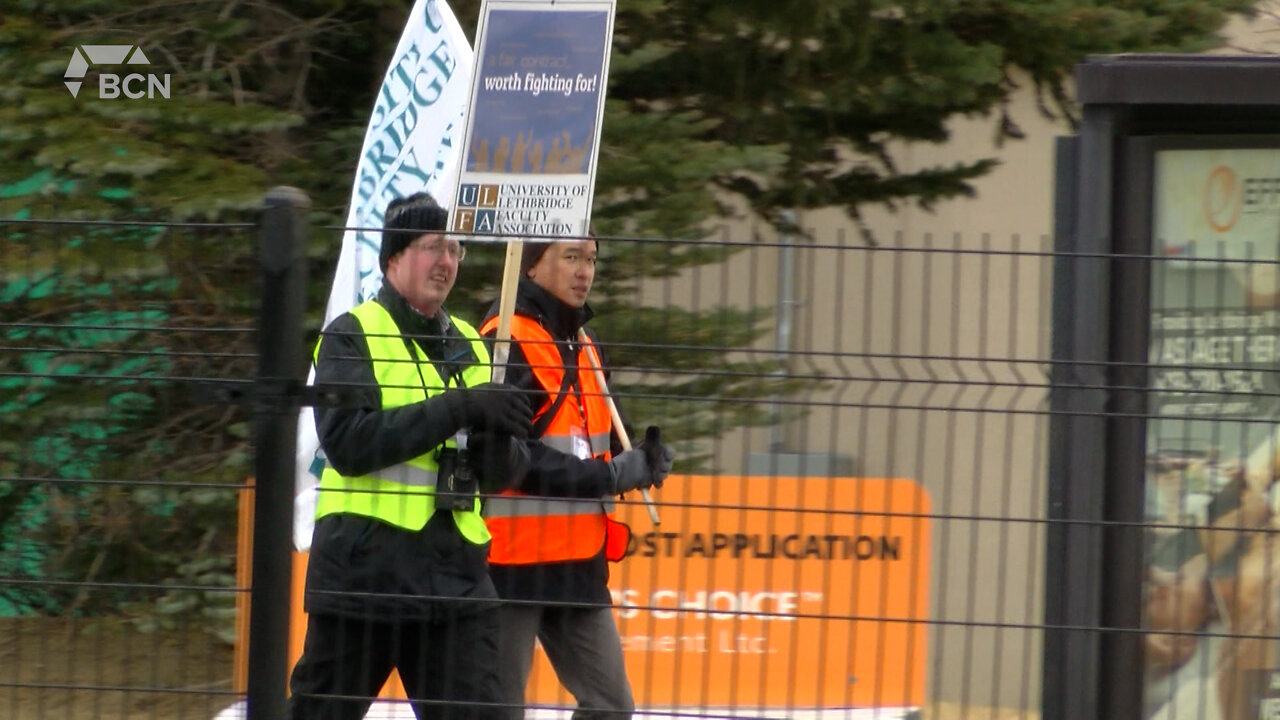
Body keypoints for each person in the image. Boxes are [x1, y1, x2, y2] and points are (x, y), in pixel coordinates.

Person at [288, 192, 534, 720]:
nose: (447, 261)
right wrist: (462, 405)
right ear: (394, 256)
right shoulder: (350, 336)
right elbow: (352, 445)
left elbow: (506, 472)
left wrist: (500, 448)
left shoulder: (472, 342)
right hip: (363, 581)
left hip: (456, 583)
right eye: (433, 247)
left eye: (456, 249)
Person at [478, 233, 674, 720]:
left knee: (611, 706)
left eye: (590, 259)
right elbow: (510, 460)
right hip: (510, 561)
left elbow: (609, 435)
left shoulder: (584, 343)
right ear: (530, 266)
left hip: (577, 562)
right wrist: (608, 478)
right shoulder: (505, 338)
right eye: (570, 257)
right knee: (498, 711)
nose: (584, 270)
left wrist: (647, 458)